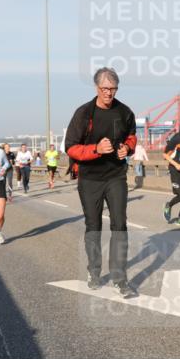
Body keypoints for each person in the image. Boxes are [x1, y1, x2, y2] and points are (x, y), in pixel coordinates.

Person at [65, 67, 138, 298]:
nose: (109, 93)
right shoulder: (84, 114)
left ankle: (119, 278)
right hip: (90, 178)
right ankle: (94, 272)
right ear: (97, 87)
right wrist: (95, 149)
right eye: (105, 89)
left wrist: (128, 148)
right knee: (93, 226)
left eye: (113, 89)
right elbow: (71, 147)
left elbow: (132, 136)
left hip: (115, 175)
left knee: (119, 224)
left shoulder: (125, 112)